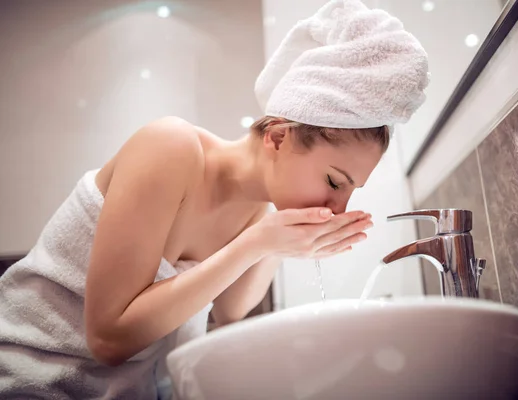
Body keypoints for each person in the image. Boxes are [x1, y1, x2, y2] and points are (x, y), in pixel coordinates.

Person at [0, 0, 429, 398]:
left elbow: (229, 313)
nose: (340, 207)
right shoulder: (170, 148)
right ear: (278, 137)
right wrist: (257, 243)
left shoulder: (258, 209)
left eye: (351, 191)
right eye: (336, 181)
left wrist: (282, 243)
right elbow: (108, 340)